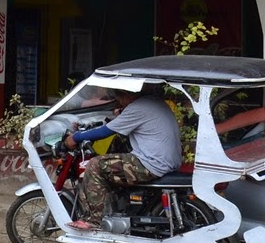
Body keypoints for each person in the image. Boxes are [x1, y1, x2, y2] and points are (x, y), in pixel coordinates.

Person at [64, 85, 183, 231]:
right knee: (118, 143)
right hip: (168, 161)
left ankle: (92, 221)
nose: (118, 102)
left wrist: (76, 137)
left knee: (95, 165)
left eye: (118, 98)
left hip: (152, 164)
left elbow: (105, 131)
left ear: (126, 95)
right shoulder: (153, 102)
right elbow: (117, 127)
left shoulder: (138, 108)